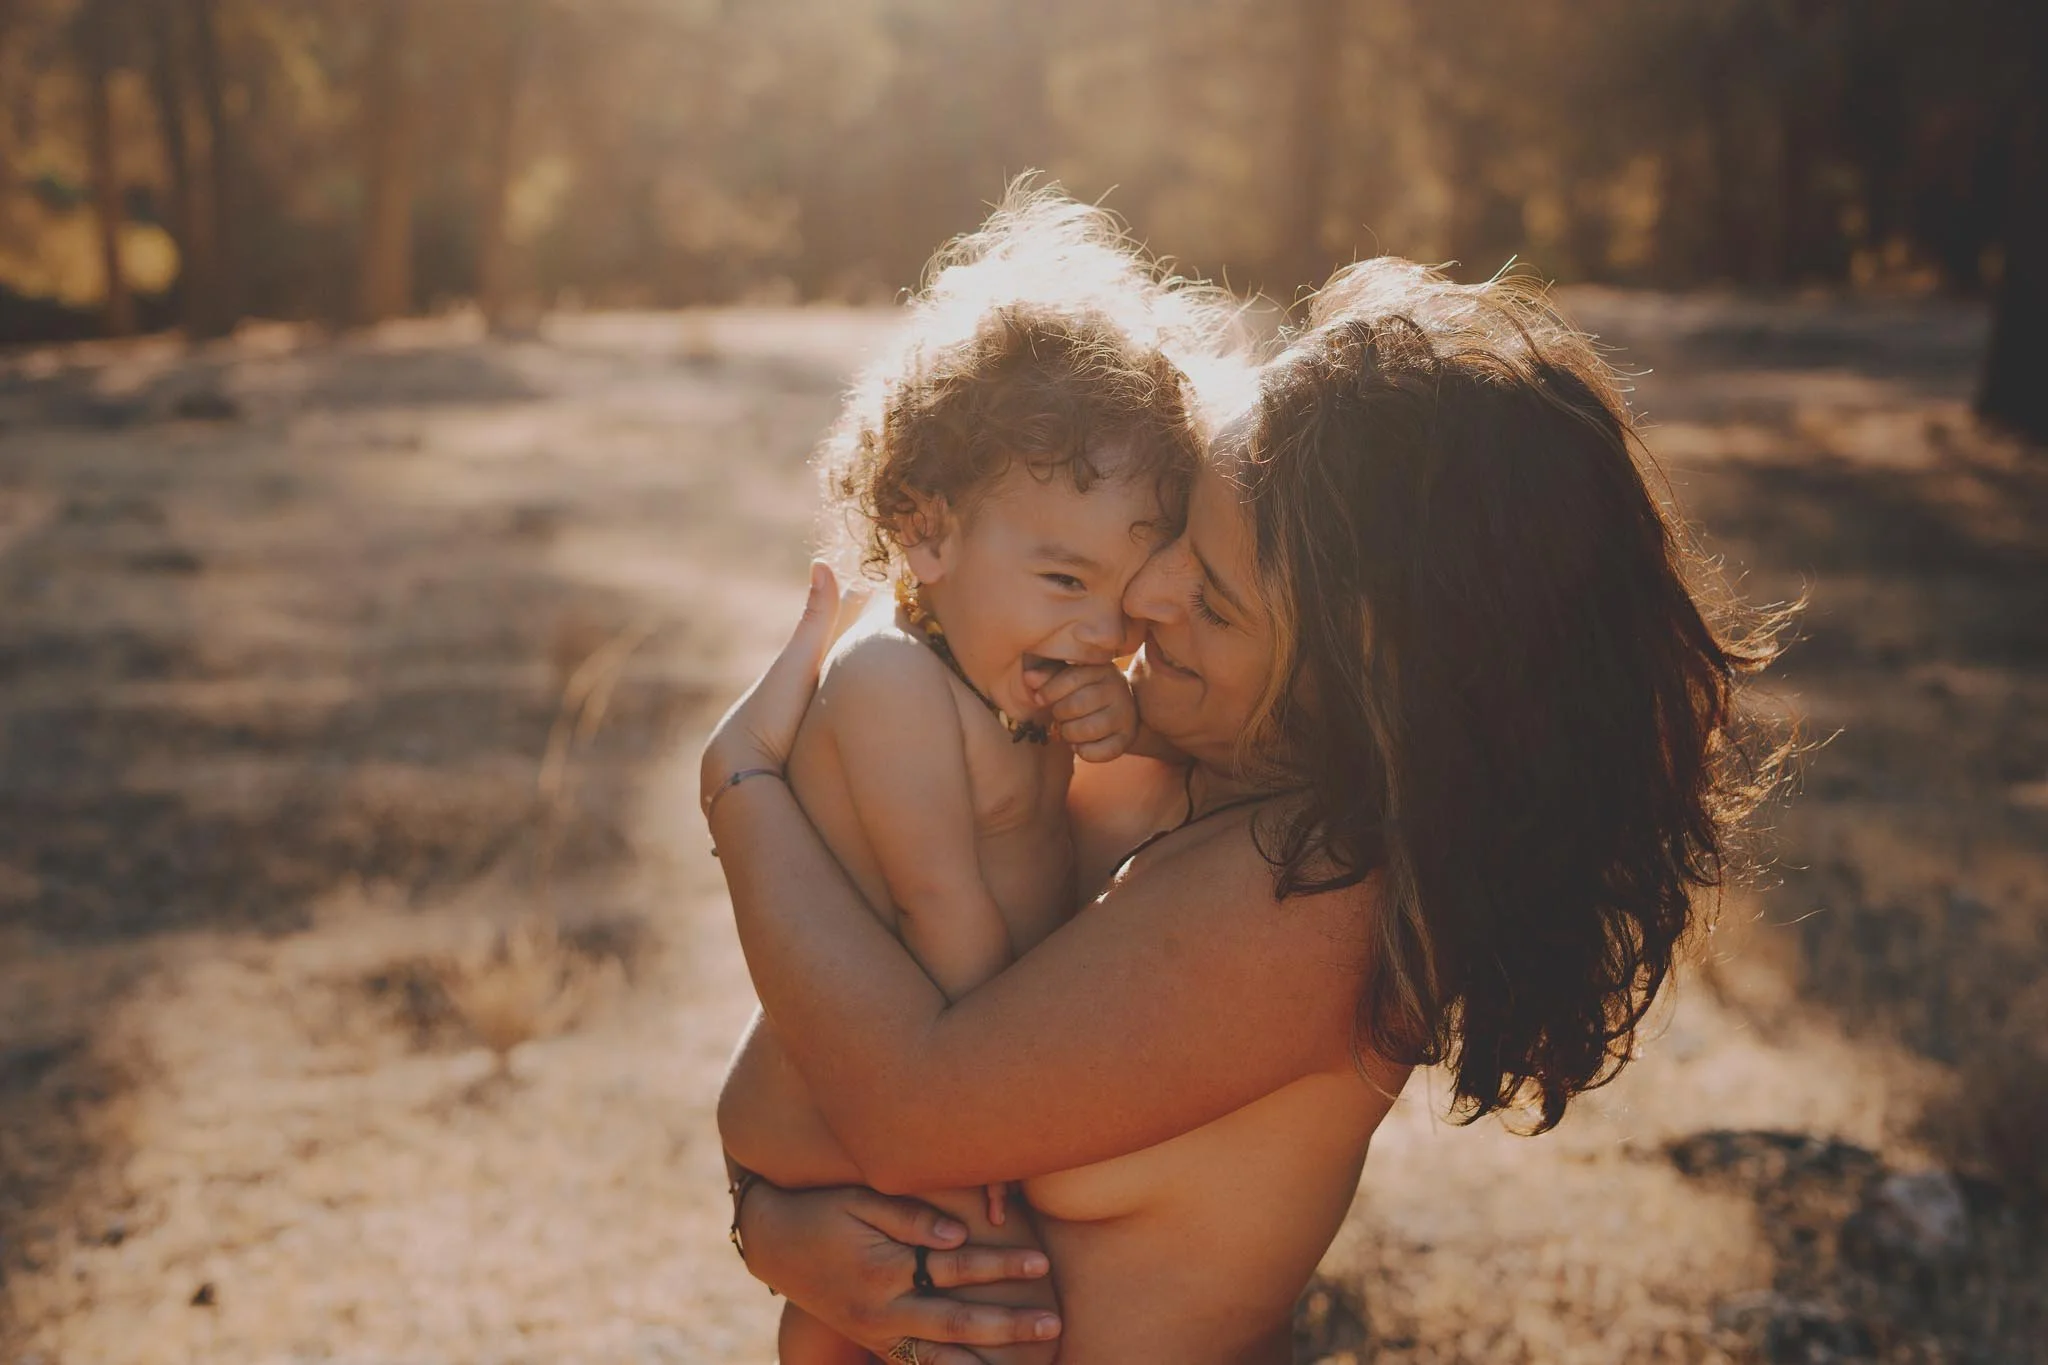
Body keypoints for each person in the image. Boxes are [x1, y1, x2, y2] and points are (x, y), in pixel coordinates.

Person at [706, 257, 1789, 1363]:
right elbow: (826, 1031)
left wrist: (739, 789)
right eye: (1175, 532)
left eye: (1211, 600)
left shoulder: (1321, 895)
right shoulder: (1150, 755)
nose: (1146, 596)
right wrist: (776, 1219)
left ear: (1362, 683)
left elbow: (908, 1111)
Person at [715, 191, 1231, 1365]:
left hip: (918, 1074)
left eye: (1124, 588)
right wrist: (996, 1113)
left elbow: (1094, 817)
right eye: (1063, 581)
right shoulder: (891, 681)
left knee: (864, 1324)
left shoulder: (1021, 674)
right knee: (964, 1320)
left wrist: (1130, 722)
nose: (1104, 627)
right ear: (924, 531)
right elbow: (936, 902)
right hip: (852, 1098)